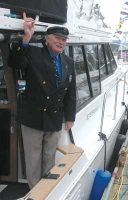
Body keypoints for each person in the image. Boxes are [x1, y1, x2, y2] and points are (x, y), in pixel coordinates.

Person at [8, 12, 76, 188]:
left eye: (64, 39)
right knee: (33, 161)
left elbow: (70, 91)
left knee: (49, 160)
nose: (61, 42)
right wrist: (26, 38)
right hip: (33, 119)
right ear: (47, 39)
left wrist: (70, 117)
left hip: (54, 118)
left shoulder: (68, 61)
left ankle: (47, 192)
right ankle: (35, 192)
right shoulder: (33, 52)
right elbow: (14, 62)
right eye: (57, 38)